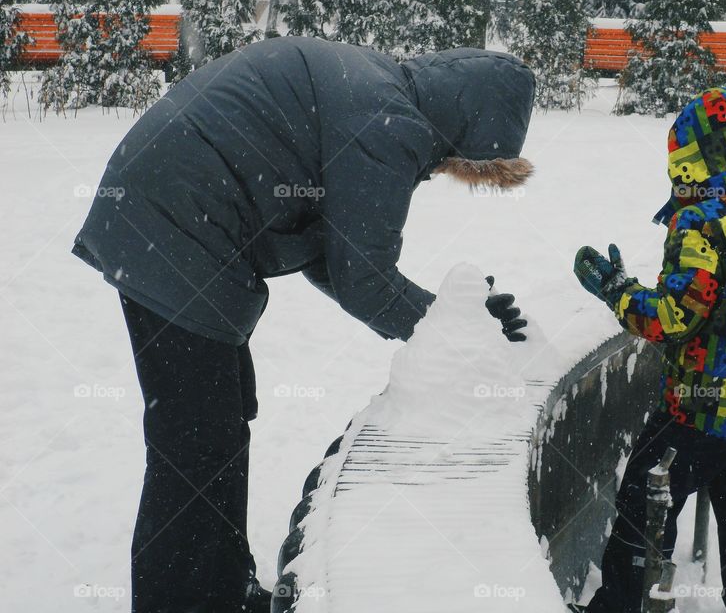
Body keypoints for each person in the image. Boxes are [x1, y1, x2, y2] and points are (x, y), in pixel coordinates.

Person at [72, 37, 536, 613]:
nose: (444, 171)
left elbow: (331, 254)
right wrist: (456, 333)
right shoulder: (388, 121)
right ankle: (185, 599)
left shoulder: (375, 89)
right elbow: (361, 276)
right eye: (460, 163)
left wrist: (455, 317)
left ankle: (219, 585)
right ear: (467, 128)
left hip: (168, 213)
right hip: (174, 224)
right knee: (195, 436)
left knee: (218, 419)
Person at [573, 87, 726, 613]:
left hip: (698, 411)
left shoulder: (699, 223)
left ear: (698, 158)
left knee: (647, 503)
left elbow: (671, 317)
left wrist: (616, 290)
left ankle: (622, 606)